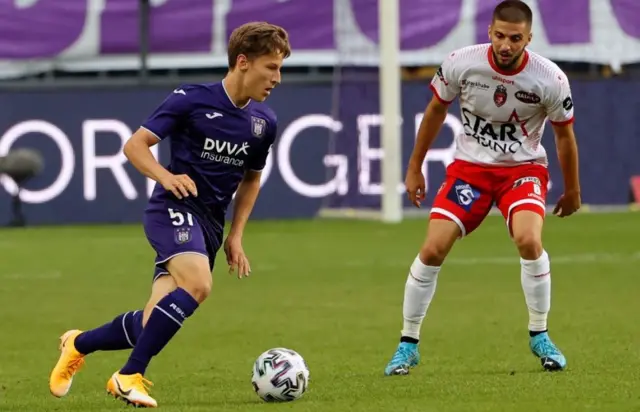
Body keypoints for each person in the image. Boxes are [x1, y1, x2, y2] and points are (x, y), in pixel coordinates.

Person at [49, 22, 291, 407]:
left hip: (209, 225)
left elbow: (251, 179)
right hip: (172, 209)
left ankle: (78, 343)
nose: (277, 78)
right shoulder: (191, 99)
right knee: (199, 284)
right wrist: (165, 175)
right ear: (243, 62)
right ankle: (129, 375)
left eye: (280, 69)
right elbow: (135, 146)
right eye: (271, 67)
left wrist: (236, 235)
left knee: (151, 322)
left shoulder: (263, 123)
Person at [384, 0, 581, 376]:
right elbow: (435, 111)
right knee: (432, 248)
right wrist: (414, 167)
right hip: (469, 172)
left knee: (528, 239)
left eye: (516, 38)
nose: (507, 45)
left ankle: (540, 334)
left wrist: (572, 189)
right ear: (489, 32)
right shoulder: (462, 62)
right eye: (500, 36)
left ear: (529, 38)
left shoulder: (550, 78)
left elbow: (565, 136)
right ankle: (407, 344)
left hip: (522, 170)